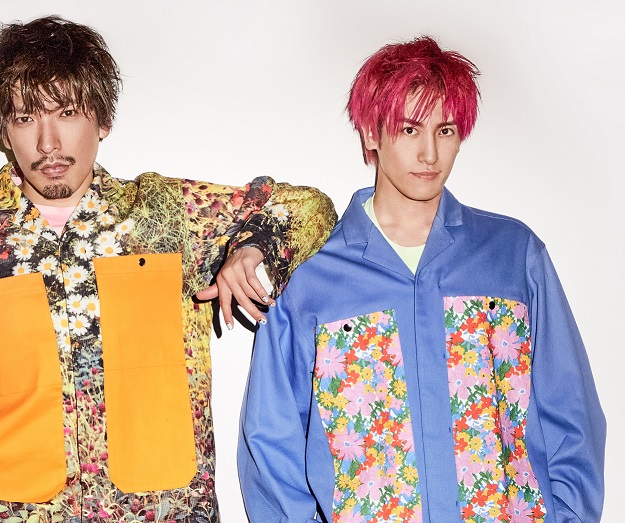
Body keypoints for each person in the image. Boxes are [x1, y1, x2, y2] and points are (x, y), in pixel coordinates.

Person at [0, 16, 336, 523]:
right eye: (25, 118)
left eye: (67, 112)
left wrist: (253, 248)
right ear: (4, 129)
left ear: (102, 119)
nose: (48, 143)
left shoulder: (164, 216)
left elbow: (309, 208)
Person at [238, 36, 605, 523]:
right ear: (371, 134)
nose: (429, 153)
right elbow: (271, 441)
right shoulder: (310, 275)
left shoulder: (513, 255)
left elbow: (570, 412)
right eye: (409, 129)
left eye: (445, 130)